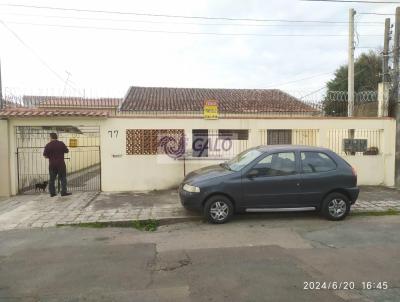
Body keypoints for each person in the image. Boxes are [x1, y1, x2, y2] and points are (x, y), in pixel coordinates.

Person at [43, 133, 72, 197]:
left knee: (52, 179)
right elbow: (67, 151)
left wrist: (50, 157)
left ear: (51, 137)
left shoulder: (48, 145)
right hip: (61, 164)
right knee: (63, 178)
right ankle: (63, 192)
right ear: (57, 137)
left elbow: (45, 155)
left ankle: (52, 193)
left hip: (52, 164)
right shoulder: (61, 143)